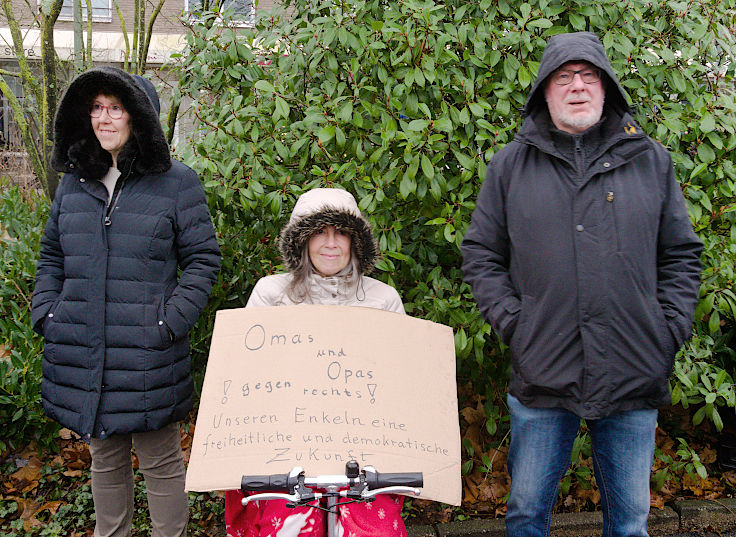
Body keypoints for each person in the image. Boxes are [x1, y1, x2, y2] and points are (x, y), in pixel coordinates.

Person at [461, 32, 702, 537]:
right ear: (544, 93)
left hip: (635, 368)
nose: (577, 87)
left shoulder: (651, 161)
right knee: (526, 514)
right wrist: (516, 324)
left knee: (631, 521)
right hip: (543, 369)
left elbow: (681, 253)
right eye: (563, 77)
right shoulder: (511, 165)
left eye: (588, 76)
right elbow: (481, 253)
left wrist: (669, 328)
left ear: (607, 88)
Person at [32, 67, 221, 537]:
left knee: (160, 463)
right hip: (85, 350)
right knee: (105, 460)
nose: (104, 117)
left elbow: (202, 260)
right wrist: (48, 312)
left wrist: (169, 323)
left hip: (147, 353)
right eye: (96, 107)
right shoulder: (74, 185)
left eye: (115, 107)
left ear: (139, 117)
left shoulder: (177, 183)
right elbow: (51, 255)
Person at [224, 187, 406, 537]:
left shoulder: (383, 299)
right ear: (302, 241)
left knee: (373, 532)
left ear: (356, 241)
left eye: (341, 232)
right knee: (289, 528)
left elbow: (398, 387)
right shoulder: (270, 294)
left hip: (363, 456)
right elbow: (244, 379)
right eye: (320, 232)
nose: (331, 243)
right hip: (285, 453)